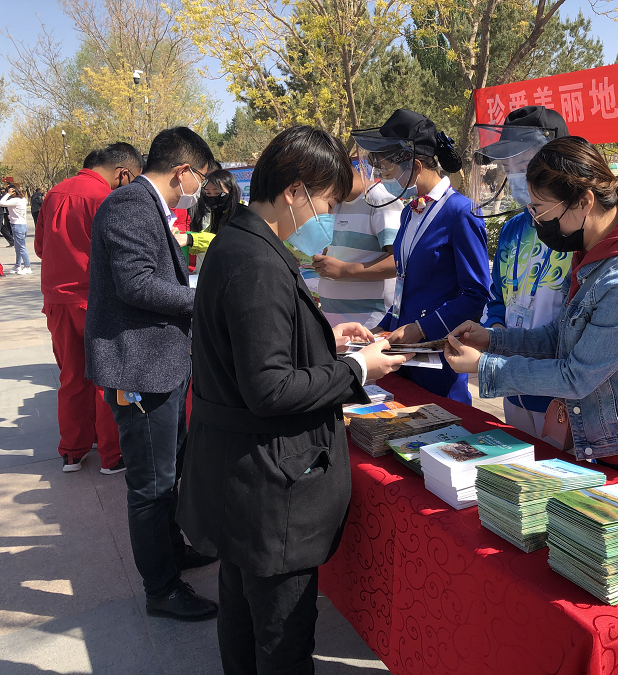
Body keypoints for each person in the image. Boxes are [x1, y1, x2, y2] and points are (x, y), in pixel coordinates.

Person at [177, 125, 410, 674]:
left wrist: (325, 339)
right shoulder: (256, 262)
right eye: (328, 202)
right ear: (296, 192)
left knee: (240, 613)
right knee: (280, 641)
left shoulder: (240, 243)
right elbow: (270, 388)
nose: (327, 216)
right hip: (267, 489)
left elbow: (250, 346)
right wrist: (357, 368)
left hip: (238, 479)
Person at [444, 137, 618, 507]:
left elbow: (576, 376)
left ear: (584, 201)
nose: (537, 221)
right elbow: (562, 336)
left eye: (541, 209)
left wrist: (486, 369)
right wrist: (494, 341)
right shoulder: (597, 256)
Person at [84, 127, 219, 621]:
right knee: (151, 485)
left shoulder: (146, 207)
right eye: (200, 177)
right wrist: (208, 298)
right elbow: (136, 284)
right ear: (183, 170)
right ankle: (161, 588)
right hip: (137, 365)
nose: (199, 187)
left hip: (161, 362)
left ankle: (172, 549)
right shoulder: (128, 206)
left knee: (170, 469)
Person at [352, 109, 491, 403]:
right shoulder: (408, 212)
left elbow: (476, 294)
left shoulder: (461, 212)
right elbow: (407, 283)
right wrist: (380, 328)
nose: (384, 180)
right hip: (403, 356)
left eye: (389, 172)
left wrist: (422, 329)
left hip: (439, 359)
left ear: (415, 167)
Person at [34, 142, 143, 474]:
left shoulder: (54, 194)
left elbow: (40, 247)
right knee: (106, 378)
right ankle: (113, 456)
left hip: (57, 300)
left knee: (71, 377)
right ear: (123, 173)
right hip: (94, 301)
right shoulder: (107, 199)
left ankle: (72, 452)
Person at [472, 106, 573, 446]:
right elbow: (497, 294)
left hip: (561, 392)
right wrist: (496, 331)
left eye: (523, 165)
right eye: (507, 167)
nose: (515, 176)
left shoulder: (576, 231)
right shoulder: (513, 228)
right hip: (512, 383)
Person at [312, 158, 402, 329]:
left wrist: (345, 270)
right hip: (336, 328)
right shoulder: (335, 204)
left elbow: (400, 261)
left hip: (371, 326)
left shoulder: (381, 201)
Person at [187, 169, 241, 275]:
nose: (212, 197)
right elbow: (203, 238)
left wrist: (191, 239)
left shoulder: (242, 213)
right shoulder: (208, 213)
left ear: (231, 190)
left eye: (217, 192)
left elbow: (225, 240)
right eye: (208, 193)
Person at [1, 185, 31, 274]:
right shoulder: (21, 199)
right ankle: (17, 266)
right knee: (18, 247)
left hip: (18, 226)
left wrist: (7, 194)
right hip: (19, 225)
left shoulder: (16, 200)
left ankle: (27, 266)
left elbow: (1, 202)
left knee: (21, 248)